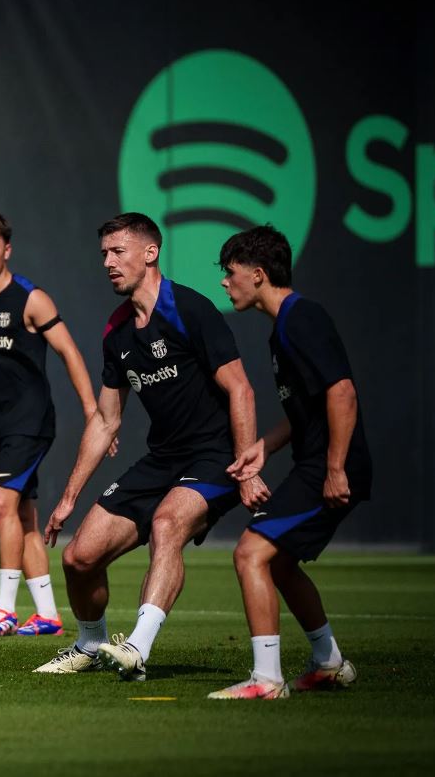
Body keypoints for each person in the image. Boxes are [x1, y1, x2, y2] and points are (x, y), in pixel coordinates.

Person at [35, 212, 268, 680]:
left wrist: (246, 469)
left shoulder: (190, 309)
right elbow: (106, 420)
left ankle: (137, 647)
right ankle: (90, 643)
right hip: (163, 458)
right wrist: (67, 499)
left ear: (150, 252)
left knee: (166, 525)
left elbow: (241, 389)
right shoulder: (117, 330)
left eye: (117, 251)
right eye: (103, 254)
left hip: (214, 455)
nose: (108, 262)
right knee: (78, 559)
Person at [207, 225, 371, 700]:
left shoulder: (302, 318)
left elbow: (343, 393)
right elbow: (309, 408)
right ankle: (328, 663)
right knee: (277, 562)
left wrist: (335, 467)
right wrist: (266, 445)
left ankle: (266, 680)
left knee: (249, 553)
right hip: (317, 462)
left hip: (328, 468)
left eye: (230, 273)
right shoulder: (283, 329)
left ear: (258, 275)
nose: (224, 282)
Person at [0, 212, 105, 637]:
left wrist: (92, 413)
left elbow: (69, 353)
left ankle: (4, 609)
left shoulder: (32, 299)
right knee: (23, 515)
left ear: (6, 250)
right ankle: (46, 614)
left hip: (29, 421)